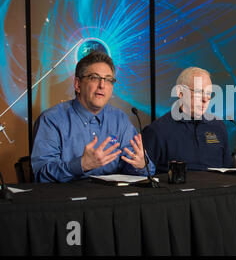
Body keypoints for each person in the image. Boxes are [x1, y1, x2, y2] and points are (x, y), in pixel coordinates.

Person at [31, 51, 155, 183]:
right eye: (94, 78)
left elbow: (146, 169)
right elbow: (41, 174)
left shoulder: (120, 120)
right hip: (66, 200)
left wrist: (141, 165)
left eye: (108, 80)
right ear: (78, 85)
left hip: (112, 199)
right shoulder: (51, 120)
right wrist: (82, 165)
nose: (102, 85)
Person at [142, 67, 233, 172]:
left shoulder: (218, 126)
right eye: (199, 92)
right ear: (180, 93)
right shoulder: (158, 130)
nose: (205, 99)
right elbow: (146, 174)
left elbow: (229, 171)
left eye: (208, 93)